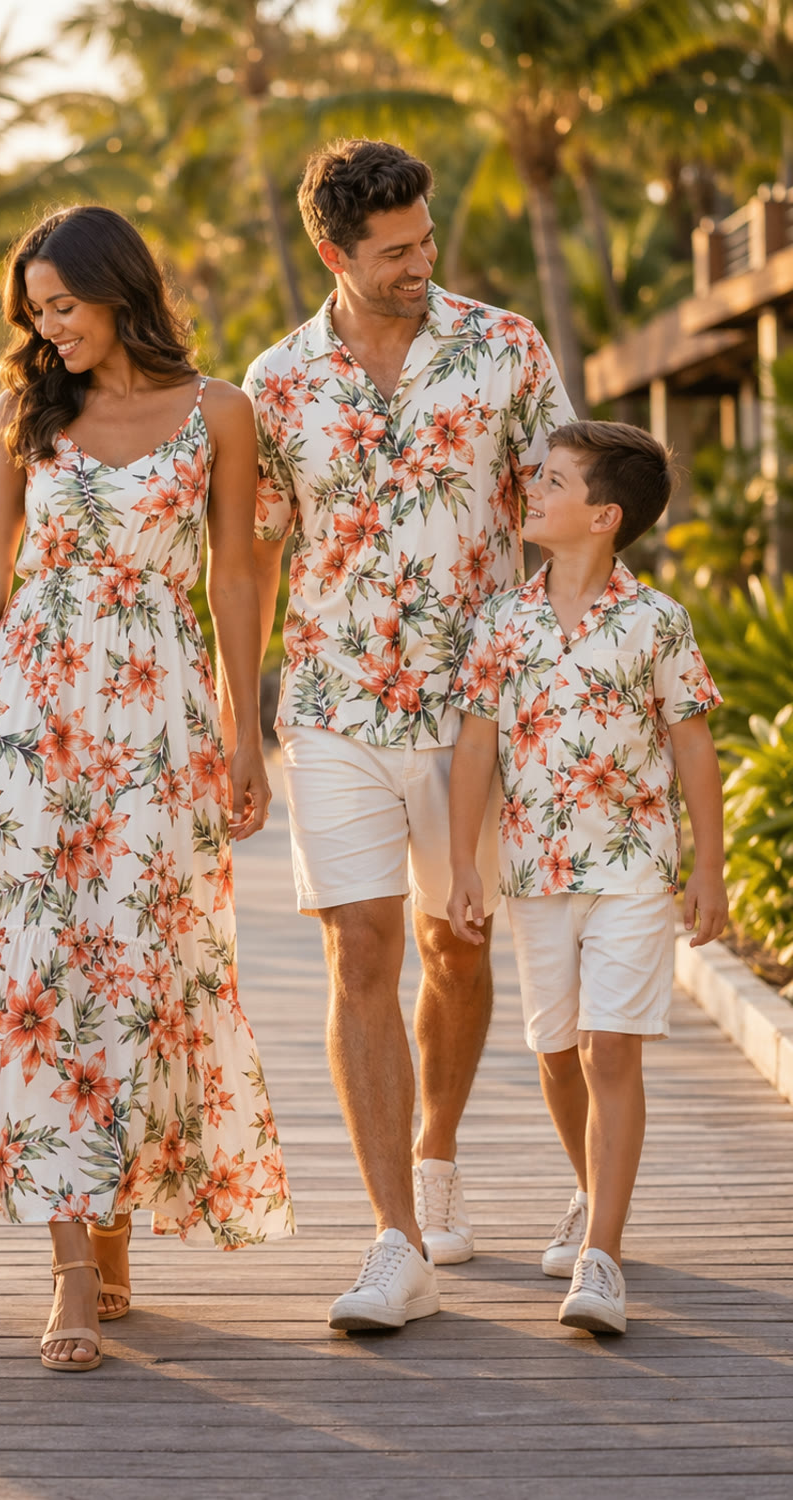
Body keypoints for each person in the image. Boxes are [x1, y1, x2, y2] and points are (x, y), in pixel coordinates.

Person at [0, 205, 294, 1374]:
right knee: (37, 972)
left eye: (61, 306)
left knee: (137, 970)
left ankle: (115, 1223)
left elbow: (234, 576)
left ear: (119, 290)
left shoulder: (220, 413)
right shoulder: (28, 413)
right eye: (35, 312)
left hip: (157, 716)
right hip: (32, 714)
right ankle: (71, 1270)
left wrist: (244, 730)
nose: (48, 328)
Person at [239, 138, 574, 1330]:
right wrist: (244, 721)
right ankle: (394, 1240)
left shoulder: (505, 348)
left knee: (460, 948)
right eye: (395, 252)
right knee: (361, 954)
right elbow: (259, 551)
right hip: (332, 703)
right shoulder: (277, 382)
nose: (422, 263)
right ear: (333, 252)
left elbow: (566, 518)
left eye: (428, 240)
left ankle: (436, 1152)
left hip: (477, 710)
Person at [448, 420, 726, 1333]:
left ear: (604, 516)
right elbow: (478, 747)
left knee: (612, 1049)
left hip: (633, 869)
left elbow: (692, 744)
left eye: (556, 480)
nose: (535, 486)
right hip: (535, 872)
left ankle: (601, 1256)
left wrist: (709, 872)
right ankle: (588, 1187)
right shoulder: (503, 622)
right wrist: (463, 865)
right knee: (556, 1052)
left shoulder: (657, 622)